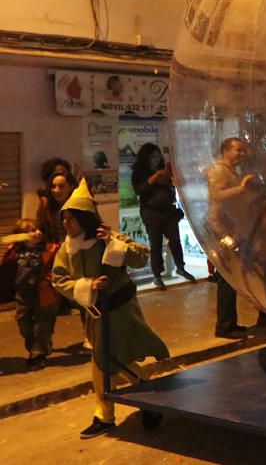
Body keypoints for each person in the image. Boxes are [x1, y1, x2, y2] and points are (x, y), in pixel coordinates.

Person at [50, 179, 169, 438]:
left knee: (109, 361)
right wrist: (88, 285)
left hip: (120, 312)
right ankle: (144, 399)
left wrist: (115, 244)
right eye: (64, 218)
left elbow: (140, 256)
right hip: (94, 316)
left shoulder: (107, 238)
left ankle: (119, 410)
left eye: (70, 218)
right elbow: (59, 280)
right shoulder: (66, 249)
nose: (65, 224)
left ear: (84, 219)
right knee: (106, 361)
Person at [204, 137, 258, 339]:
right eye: (238, 150)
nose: (242, 154)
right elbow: (217, 196)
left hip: (230, 227)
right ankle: (225, 325)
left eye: (244, 150)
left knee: (232, 276)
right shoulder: (219, 170)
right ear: (225, 151)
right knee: (227, 277)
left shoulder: (230, 170)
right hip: (221, 229)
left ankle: (229, 323)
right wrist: (241, 189)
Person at [131, 143, 195, 288]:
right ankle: (157, 274)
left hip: (168, 211)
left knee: (175, 240)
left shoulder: (163, 170)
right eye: (152, 156)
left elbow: (174, 187)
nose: (155, 159)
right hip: (151, 211)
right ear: (146, 157)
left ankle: (180, 267)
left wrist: (173, 178)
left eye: (158, 155)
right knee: (156, 243)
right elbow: (140, 190)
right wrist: (156, 176)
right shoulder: (140, 172)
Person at [0, 219, 61, 370]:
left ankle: (37, 355)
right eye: (32, 230)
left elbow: (59, 269)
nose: (37, 233)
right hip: (22, 296)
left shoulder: (50, 250)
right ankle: (38, 347)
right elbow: (6, 271)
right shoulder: (15, 252)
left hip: (44, 296)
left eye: (38, 229)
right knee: (24, 325)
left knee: (42, 326)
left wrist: (49, 280)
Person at [36, 170, 77, 243]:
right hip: (55, 249)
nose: (56, 190)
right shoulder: (46, 206)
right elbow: (42, 230)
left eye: (61, 186)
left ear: (71, 187)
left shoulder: (80, 207)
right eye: (53, 186)